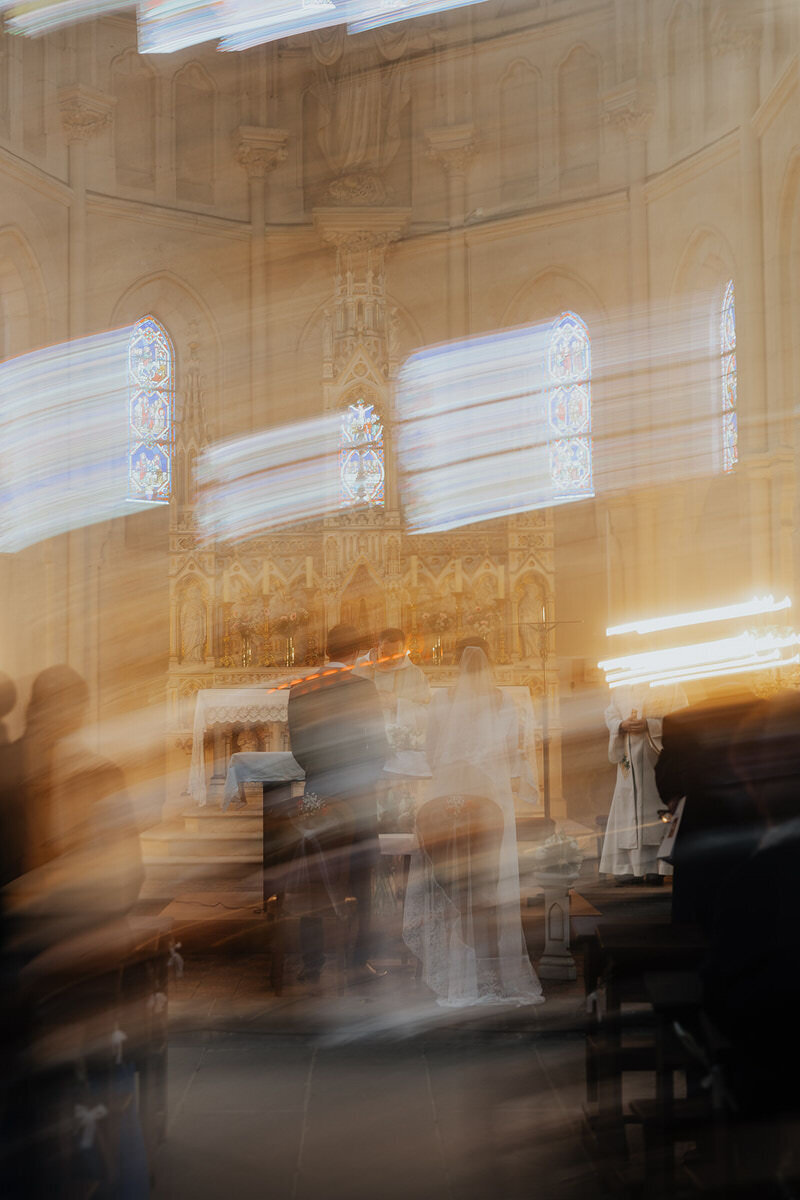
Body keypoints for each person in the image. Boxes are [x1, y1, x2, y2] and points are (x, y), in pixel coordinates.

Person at [403, 642, 544, 1007]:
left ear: (456, 665)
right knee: (490, 882)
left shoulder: (441, 700)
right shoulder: (504, 701)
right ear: (490, 663)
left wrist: (454, 770)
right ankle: (493, 967)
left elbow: (432, 751)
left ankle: (454, 970)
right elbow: (511, 751)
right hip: (491, 800)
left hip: (448, 795)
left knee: (449, 878)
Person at [287, 624, 389, 980]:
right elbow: (379, 746)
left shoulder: (300, 689)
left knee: (314, 874)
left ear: (326, 650)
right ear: (356, 651)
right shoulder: (364, 688)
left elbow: (299, 749)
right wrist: (363, 780)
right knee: (361, 877)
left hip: (318, 791)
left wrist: (320, 776)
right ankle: (359, 959)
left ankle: (312, 963)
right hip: (358, 795)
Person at [655, 682, 764, 933]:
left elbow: (667, 776)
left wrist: (675, 798)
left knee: (697, 917)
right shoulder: (769, 715)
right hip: (755, 827)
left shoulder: (681, 720)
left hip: (699, 828)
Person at [599, 683, 687, 886]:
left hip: (655, 759)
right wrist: (621, 725)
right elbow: (610, 714)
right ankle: (629, 867)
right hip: (629, 760)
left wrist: (650, 725)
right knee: (628, 808)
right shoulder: (621, 687)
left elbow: (682, 718)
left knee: (655, 809)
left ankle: (657, 868)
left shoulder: (670, 685)